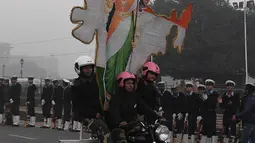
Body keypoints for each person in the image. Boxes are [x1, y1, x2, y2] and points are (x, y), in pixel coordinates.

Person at [109, 71, 160, 143]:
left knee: (148, 135)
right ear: (122, 83)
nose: (131, 85)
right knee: (122, 140)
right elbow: (114, 111)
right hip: (120, 127)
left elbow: (145, 108)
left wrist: (157, 116)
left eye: (132, 83)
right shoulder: (116, 98)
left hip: (133, 125)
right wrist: (120, 121)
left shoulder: (135, 96)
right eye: (128, 83)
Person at [71, 56, 102, 132]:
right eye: (86, 68)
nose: (89, 70)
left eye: (90, 68)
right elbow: (78, 105)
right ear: (79, 69)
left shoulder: (97, 81)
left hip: (99, 113)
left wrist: (100, 112)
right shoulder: (76, 85)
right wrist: (94, 114)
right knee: (102, 130)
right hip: (84, 115)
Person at [200, 79, 219, 143]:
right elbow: (202, 105)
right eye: (207, 85)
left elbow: (213, 103)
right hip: (205, 113)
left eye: (210, 85)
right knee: (204, 130)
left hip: (211, 113)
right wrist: (201, 114)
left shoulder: (215, 94)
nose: (208, 86)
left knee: (212, 129)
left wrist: (206, 99)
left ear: (213, 86)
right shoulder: (204, 93)